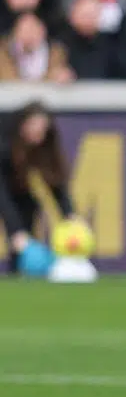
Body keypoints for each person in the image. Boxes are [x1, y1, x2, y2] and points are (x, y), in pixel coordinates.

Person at [1, 101, 78, 273]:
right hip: (4, 189)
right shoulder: (5, 140)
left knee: (28, 206)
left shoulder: (46, 143)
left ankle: (19, 272)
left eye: (42, 129)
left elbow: (55, 183)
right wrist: (16, 231)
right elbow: (2, 195)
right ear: (22, 125)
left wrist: (70, 216)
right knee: (18, 233)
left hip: (18, 192)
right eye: (33, 126)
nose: (37, 133)